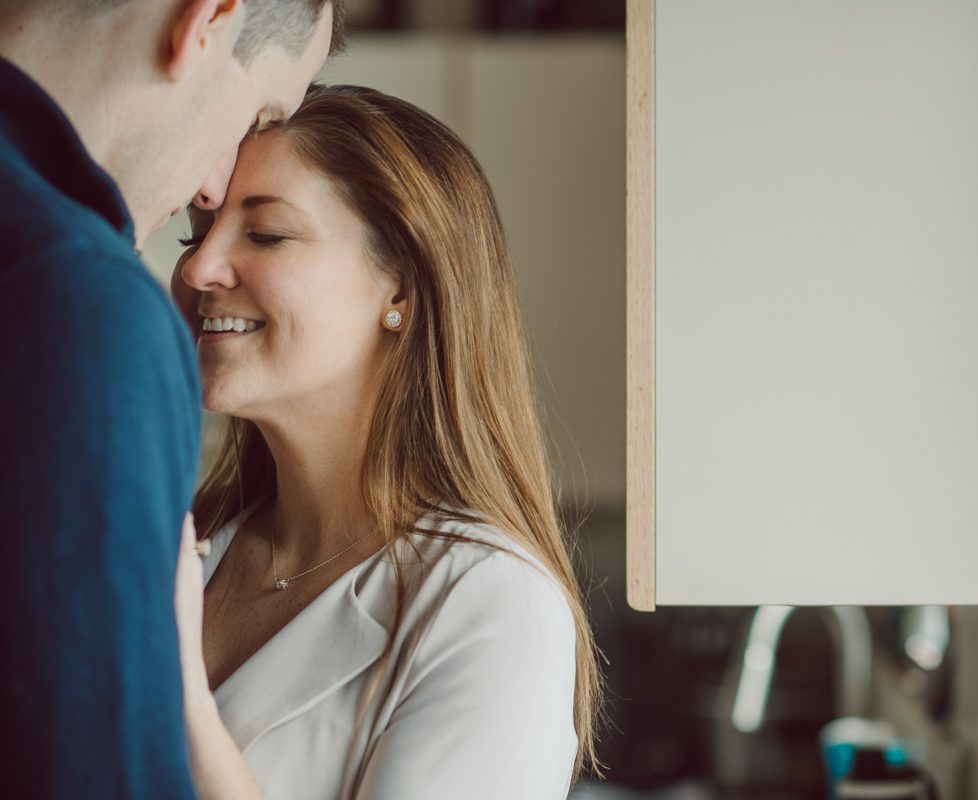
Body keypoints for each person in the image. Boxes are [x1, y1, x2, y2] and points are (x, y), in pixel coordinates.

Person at [169, 83, 601, 799]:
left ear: (398, 285)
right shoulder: (195, 547)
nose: (196, 268)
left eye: (266, 233)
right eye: (196, 232)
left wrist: (179, 699)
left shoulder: (490, 604)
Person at [0, 2, 341, 797]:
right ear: (208, 20)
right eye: (257, 114)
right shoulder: (81, 300)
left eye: (266, 233)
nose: (213, 179)